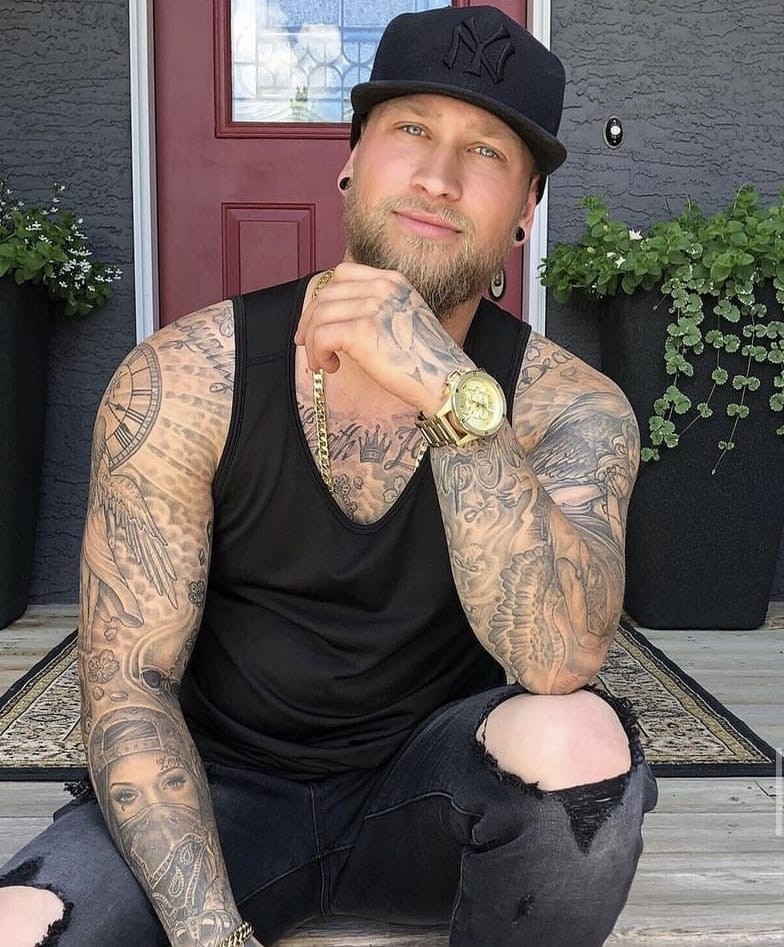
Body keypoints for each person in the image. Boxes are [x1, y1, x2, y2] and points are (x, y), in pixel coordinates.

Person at [0, 6, 657, 945]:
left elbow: (558, 659)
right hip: (218, 801)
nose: (438, 176)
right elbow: (129, 684)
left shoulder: (573, 407)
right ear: (351, 162)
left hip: (434, 802)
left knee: (581, 739)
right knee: (18, 923)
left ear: (525, 211)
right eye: (412, 130)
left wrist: (449, 393)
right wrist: (211, 931)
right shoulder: (183, 378)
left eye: (486, 152)